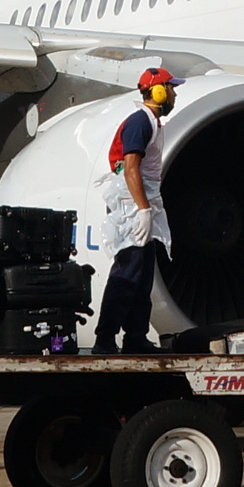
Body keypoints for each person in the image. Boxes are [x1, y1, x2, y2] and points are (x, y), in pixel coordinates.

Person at [93, 68, 176, 354]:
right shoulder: (140, 122)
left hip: (143, 202)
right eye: (170, 88)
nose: (174, 94)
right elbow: (131, 169)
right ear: (158, 92)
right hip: (131, 205)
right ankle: (105, 339)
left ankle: (135, 337)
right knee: (127, 272)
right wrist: (142, 209)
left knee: (142, 276)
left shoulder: (152, 122)